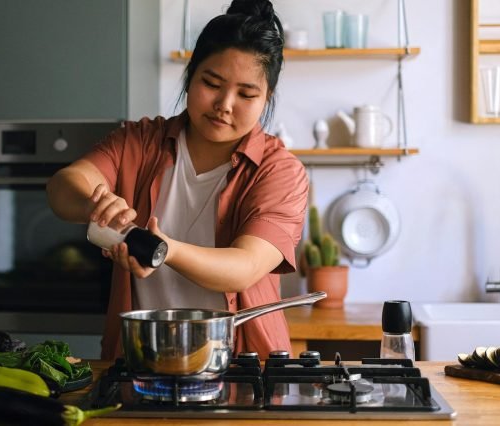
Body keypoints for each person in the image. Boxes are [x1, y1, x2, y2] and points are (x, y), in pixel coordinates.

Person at [47, 0, 308, 360]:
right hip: (140, 359)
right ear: (190, 75)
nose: (225, 104)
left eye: (246, 94)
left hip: (242, 365)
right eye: (211, 83)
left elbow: (244, 267)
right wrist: (94, 203)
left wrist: (162, 249)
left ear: (266, 99)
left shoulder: (279, 171)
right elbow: (63, 187)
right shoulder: (139, 141)